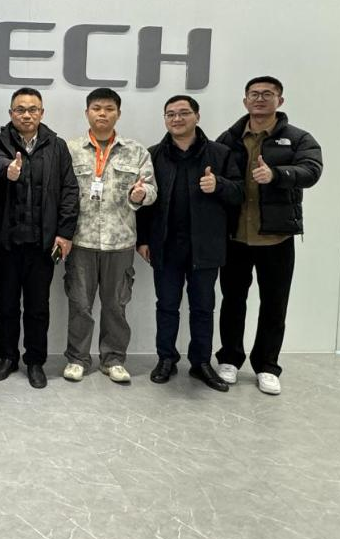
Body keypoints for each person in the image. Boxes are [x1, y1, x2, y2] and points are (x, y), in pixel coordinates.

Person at [216, 76, 323, 395]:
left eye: (267, 94)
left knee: (275, 304)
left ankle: (267, 365)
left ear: (280, 100)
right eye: (254, 94)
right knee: (232, 301)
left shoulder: (298, 138)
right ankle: (230, 359)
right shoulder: (230, 138)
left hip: (276, 238)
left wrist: (276, 174)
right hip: (236, 237)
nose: (260, 99)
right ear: (245, 100)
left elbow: (312, 171)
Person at [136, 95, 243, 391]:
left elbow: (239, 193)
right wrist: (142, 240)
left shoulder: (220, 154)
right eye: (170, 114)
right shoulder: (153, 155)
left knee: (203, 308)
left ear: (197, 116)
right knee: (166, 306)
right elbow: (144, 202)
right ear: (165, 119)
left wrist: (219, 185)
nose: (177, 119)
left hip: (205, 246)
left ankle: (201, 363)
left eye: (184, 113)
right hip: (165, 245)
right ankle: (166, 359)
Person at [62, 87, 155, 386]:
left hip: (120, 242)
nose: (102, 113)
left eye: (109, 109)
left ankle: (113, 359)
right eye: (97, 108)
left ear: (118, 113)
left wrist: (141, 194)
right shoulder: (70, 149)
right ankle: (77, 359)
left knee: (116, 305)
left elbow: (151, 189)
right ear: (87, 112)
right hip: (81, 241)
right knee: (80, 304)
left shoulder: (136, 151)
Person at [0, 87, 78, 389]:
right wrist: (7, 171)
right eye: (20, 110)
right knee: (6, 304)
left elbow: (69, 191)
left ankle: (35, 361)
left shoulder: (57, 146)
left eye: (32, 109)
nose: (26, 115)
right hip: (7, 241)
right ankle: (7, 357)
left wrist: (65, 233)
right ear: (11, 113)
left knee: (38, 307)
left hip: (43, 243)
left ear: (41, 113)